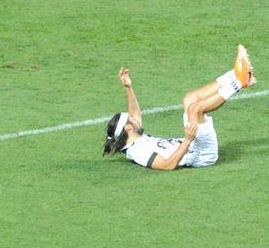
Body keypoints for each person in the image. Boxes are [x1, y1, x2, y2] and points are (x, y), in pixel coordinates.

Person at [102, 45, 256, 170]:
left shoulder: (136, 139)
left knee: (189, 99)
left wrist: (128, 87)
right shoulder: (137, 151)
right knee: (195, 109)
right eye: (132, 118)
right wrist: (187, 140)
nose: (136, 117)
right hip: (201, 155)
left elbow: (135, 113)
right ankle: (239, 82)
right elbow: (167, 165)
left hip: (194, 145)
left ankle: (235, 74)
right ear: (128, 128)